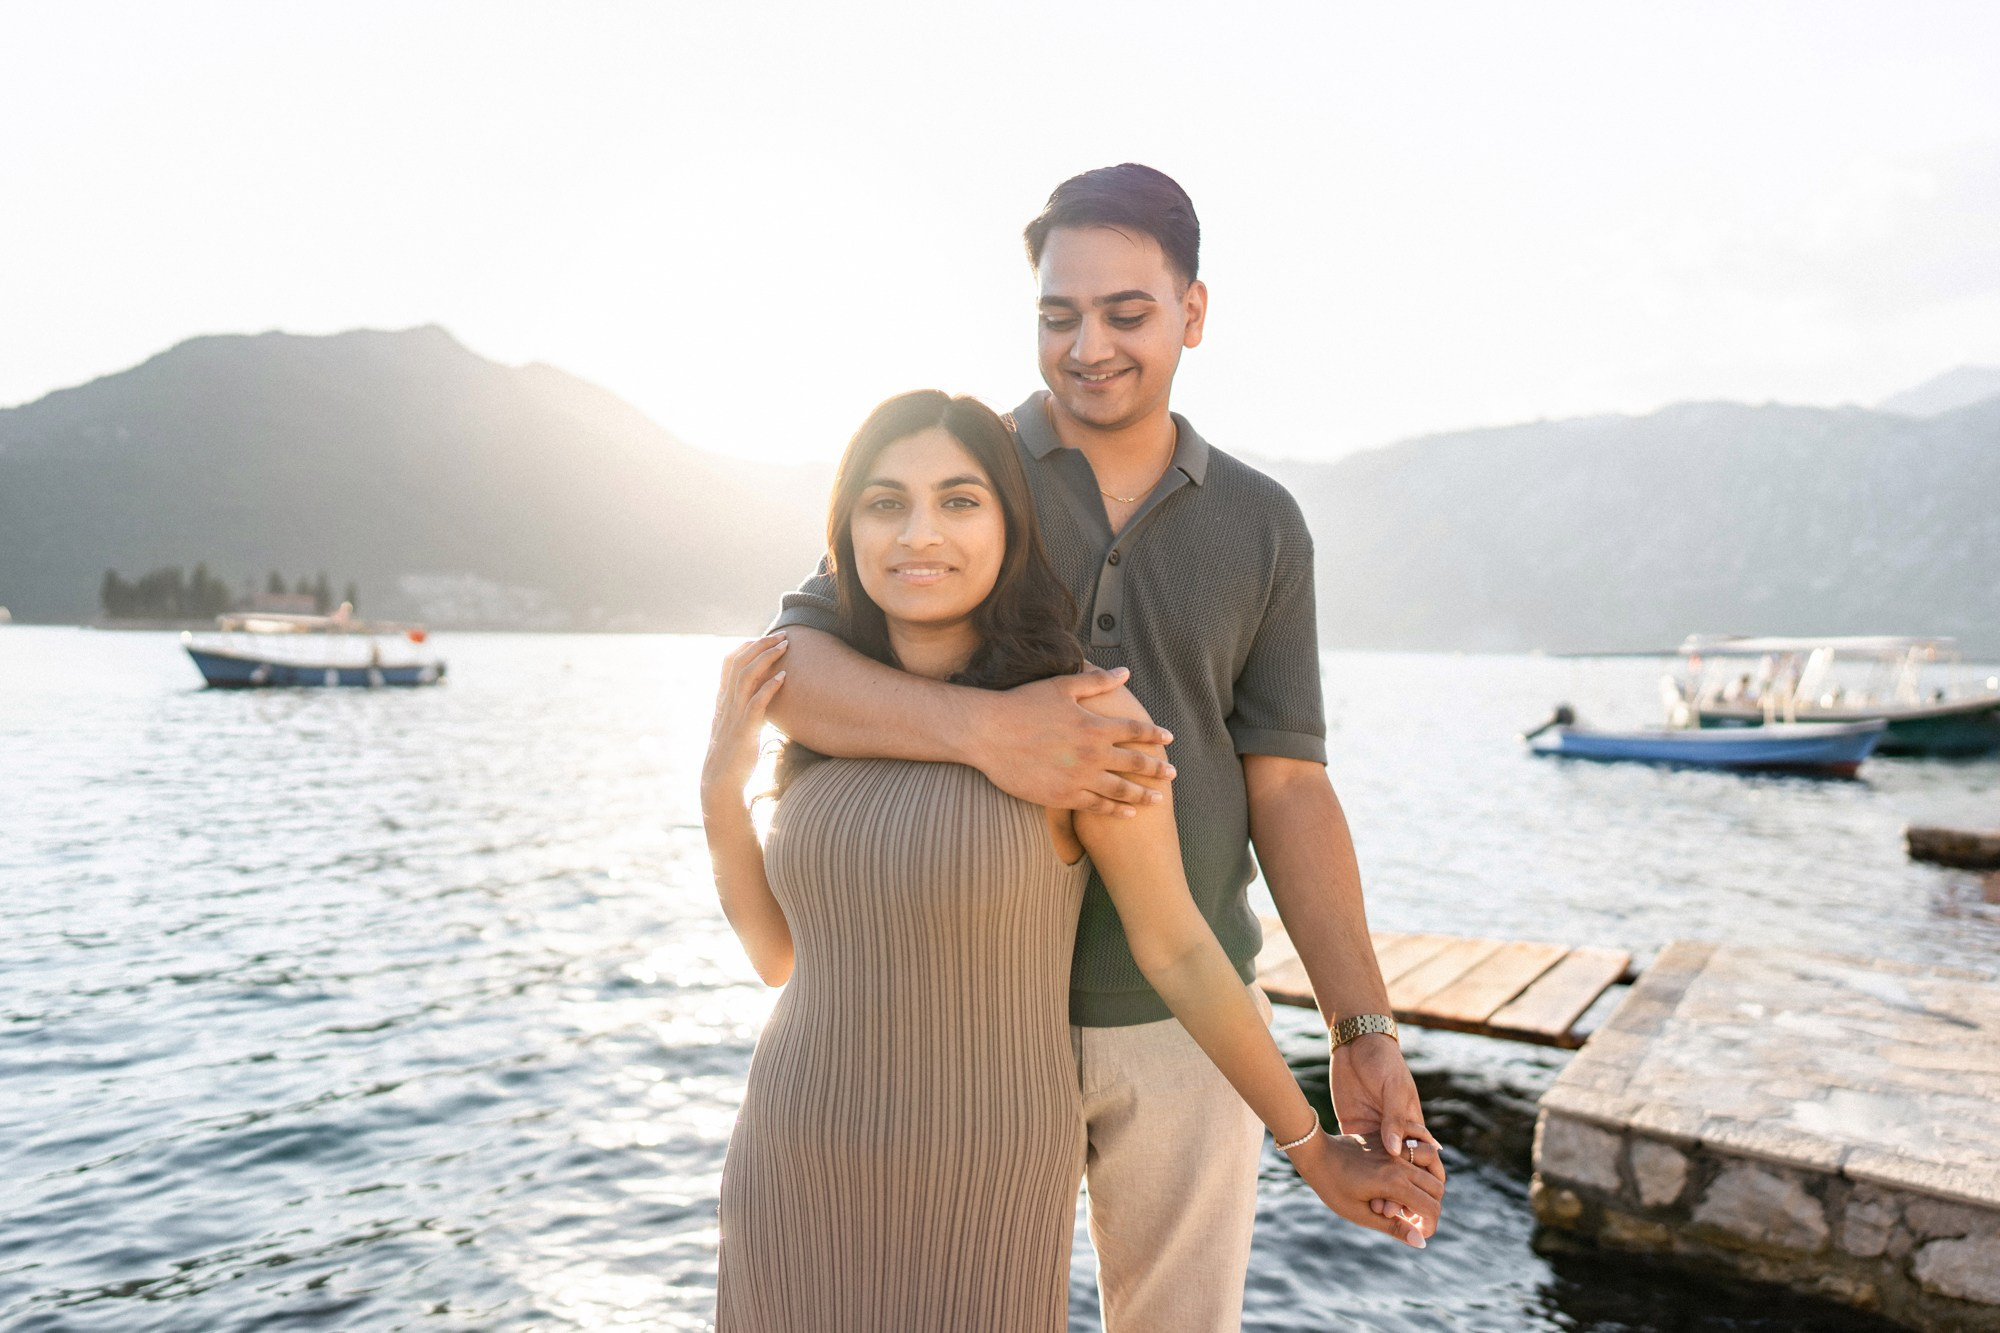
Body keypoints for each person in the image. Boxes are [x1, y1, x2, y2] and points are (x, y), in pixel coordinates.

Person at [763, 165, 1443, 1330]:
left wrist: (1361, 1029)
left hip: (1184, 1019)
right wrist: (990, 732)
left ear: (1191, 312)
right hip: (967, 1016)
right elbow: (789, 672)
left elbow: (1287, 785)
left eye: (1125, 313)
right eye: (1057, 314)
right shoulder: (959, 475)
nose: (1087, 348)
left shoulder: (1262, 523)